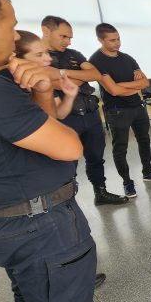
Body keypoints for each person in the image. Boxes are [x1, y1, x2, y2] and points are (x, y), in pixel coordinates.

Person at [0, 0, 106, 302]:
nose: (15, 38)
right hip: (37, 225)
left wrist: (43, 89)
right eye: (10, 28)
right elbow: (68, 146)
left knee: (31, 295)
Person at [41, 15, 127, 205]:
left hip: (90, 114)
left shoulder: (74, 54)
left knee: (96, 157)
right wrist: (78, 77)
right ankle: (66, 201)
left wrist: (61, 74)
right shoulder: (39, 56)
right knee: (67, 162)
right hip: (65, 117)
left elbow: (94, 74)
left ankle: (101, 192)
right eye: (63, 36)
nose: (68, 41)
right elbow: (48, 80)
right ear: (46, 31)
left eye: (70, 37)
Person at [90, 23, 151, 198]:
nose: (117, 43)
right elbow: (113, 91)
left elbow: (145, 83)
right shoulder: (96, 61)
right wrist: (131, 86)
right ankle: (127, 182)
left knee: (144, 140)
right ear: (100, 40)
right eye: (112, 40)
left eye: (118, 38)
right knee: (120, 148)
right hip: (117, 110)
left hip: (137, 106)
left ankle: (147, 172)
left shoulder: (127, 58)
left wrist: (122, 86)